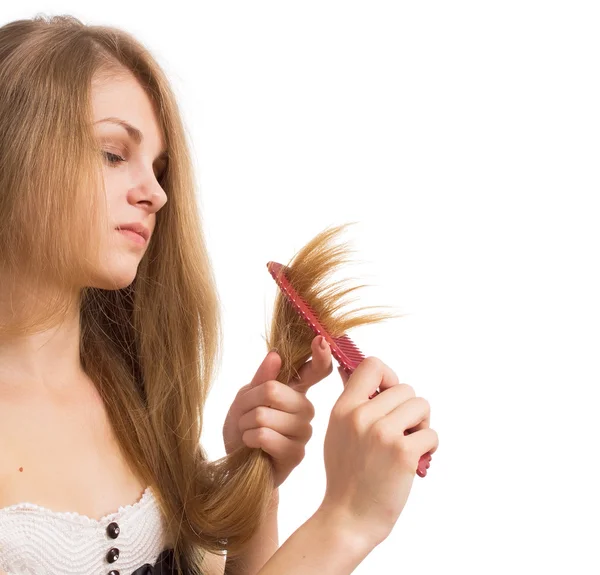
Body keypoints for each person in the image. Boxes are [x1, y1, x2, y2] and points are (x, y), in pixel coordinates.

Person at [0, 14, 439, 575]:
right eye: (113, 153)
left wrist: (255, 487)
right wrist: (348, 521)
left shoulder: (140, 406)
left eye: (159, 169)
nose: (156, 193)